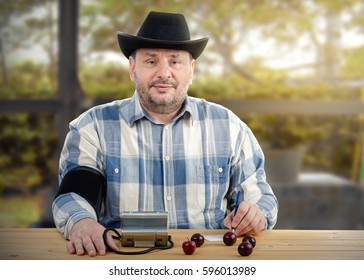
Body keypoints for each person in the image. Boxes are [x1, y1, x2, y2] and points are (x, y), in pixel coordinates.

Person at [52, 11, 278, 257]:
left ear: (190, 70)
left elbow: (263, 199)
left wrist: (255, 213)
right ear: (132, 68)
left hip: (209, 262)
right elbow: (72, 196)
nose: (164, 73)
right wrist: (82, 222)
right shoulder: (92, 127)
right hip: (122, 261)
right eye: (151, 61)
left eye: (175, 61)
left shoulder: (230, 128)